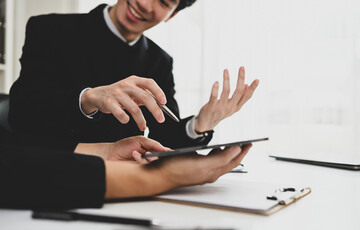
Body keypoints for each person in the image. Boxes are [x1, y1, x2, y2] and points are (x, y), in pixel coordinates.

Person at [9, 0, 259, 148]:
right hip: (50, 173)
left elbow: (164, 136)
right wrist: (88, 99)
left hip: (128, 185)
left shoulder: (159, 61)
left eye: (164, 2)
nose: (145, 4)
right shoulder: (49, 29)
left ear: (172, 15)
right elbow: (23, 112)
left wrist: (199, 125)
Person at [0, 125, 252, 209]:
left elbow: (11, 145)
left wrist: (104, 151)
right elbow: (16, 170)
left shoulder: (159, 59)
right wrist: (161, 177)